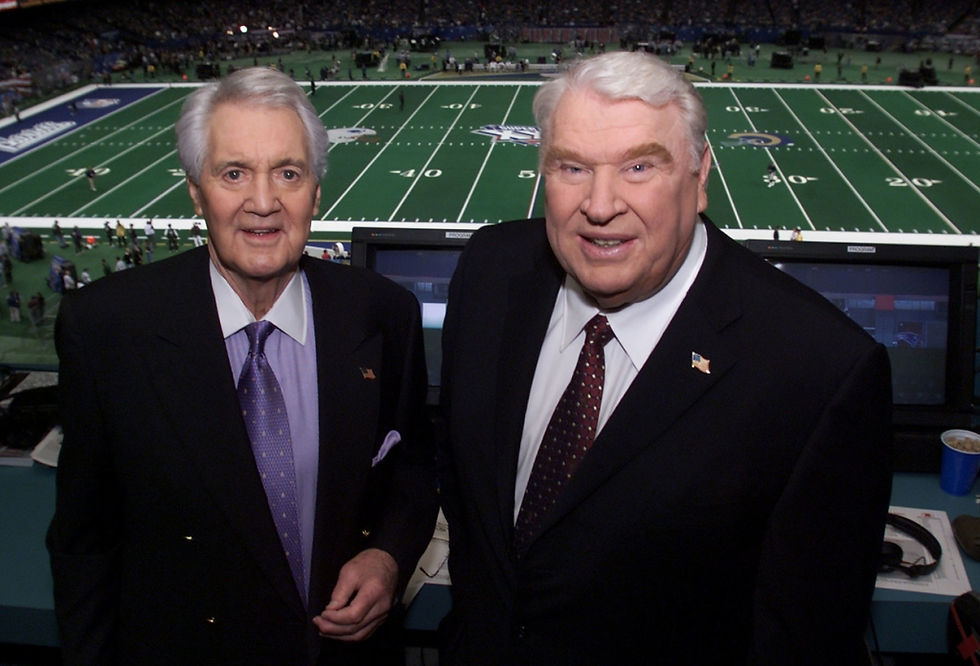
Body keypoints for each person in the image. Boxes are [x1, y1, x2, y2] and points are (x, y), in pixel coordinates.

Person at [437, 51, 892, 665]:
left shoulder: (819, 370)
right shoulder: (490, 268)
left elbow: (805, 638)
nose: (600, 205)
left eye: (639, 167)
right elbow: (465, 489)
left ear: (701, 177)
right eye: (572, 167)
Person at [48, 66, 438, 665]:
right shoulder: (106, 329)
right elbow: (84, 542)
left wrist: (388, 556)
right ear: (196, 191)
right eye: (234, 173)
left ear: (316, 192)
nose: (263, 203)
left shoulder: (383, 313)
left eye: (288, 173)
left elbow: (412, 470)